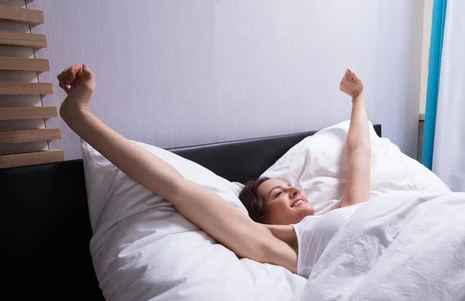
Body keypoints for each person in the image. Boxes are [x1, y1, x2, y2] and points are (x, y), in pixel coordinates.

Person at [58, 64, 371, 277]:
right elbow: (176, 188)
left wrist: (358, 99)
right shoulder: (281, 249)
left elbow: (359, 153)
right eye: (278, 192)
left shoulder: (348, 212)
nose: (294, 190)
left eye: (290, 187)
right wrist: (79, 115)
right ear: (260, 217)